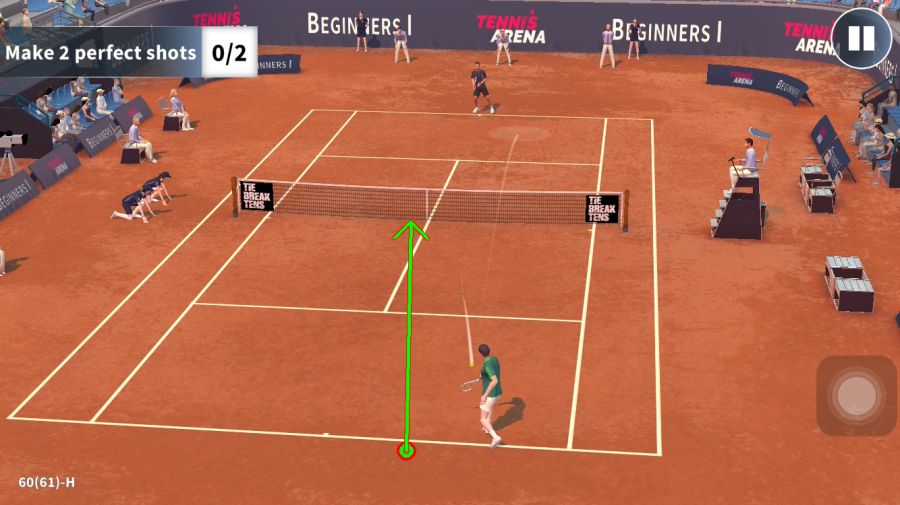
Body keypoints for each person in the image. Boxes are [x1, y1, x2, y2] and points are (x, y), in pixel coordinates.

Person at [477, 344, 503, 449]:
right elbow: (493, 371)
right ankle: (487, 428)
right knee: (489, 407)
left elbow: (494, 380)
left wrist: (485, 395)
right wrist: (482, 376)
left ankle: (495, 437)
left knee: (482, 419)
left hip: (490, 395)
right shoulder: (494, 359)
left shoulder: (486, 365)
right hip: (498, 393)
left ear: (480, 354)